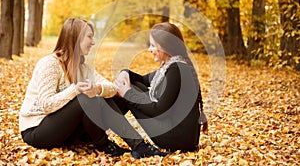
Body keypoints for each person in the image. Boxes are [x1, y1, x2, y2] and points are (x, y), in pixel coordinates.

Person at [19, 18, 169, 158]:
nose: (93, 42)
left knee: (119, 93)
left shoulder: (83, 67)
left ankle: (138, 144)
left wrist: (97, 89)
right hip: (38, 129)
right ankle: (112, 144)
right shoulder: (50, 64)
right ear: (76, 38)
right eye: (89, 37)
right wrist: (76, 89)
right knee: (86, 98)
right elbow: (47, 105)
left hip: (67, 130)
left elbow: (111, 87)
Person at [114, 22, 208, 152]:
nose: (149, 49)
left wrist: (127, 94)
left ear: (165, 46)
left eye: (153, 45)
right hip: (179, 134)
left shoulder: (177, 70)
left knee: (131, 91)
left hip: (176, 138)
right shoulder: (170, 66)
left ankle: (101, 125)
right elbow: (142, 80)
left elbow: (159, 111)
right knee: (135, 85)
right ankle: (102, 122)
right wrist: (125, 72)